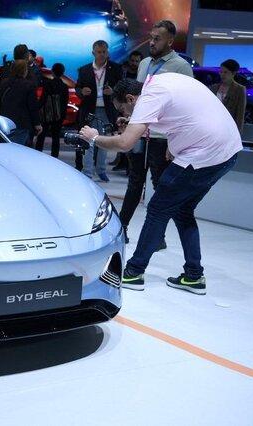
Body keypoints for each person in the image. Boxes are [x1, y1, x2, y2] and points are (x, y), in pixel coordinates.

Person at [79, 75, 241, 295]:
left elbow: (125, 143)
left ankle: (134, 272)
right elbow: (182, 116)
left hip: (203, 154)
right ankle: (194, 276)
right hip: (228, 152)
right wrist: (136, 122)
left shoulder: (149, 97)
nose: (123, 114)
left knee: (157, 209)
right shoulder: (160, 83)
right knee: (183, 211)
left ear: (131, 98)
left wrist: (94, 138)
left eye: (123, 109)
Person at [118, 20, 194, 247]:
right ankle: (121, 229)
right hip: (140, 133)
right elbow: (139, 100)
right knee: (134, 182)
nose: (151, 42)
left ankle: (157, 236)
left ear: (170, 41)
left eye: (157, 39)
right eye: (151, 38)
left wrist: (174, 141)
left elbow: (185, 106)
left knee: (160, 186)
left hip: (162, 138)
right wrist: (129, 119)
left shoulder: (181, 67)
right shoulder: (144, 64)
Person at [75, 40, 122, 182]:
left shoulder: (116, 68)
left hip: (107, 110)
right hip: (89, 110)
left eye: (104, 52)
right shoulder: (84, 70)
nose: (102, 54)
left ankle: (101, 170)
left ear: (108, 52)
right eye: (99, 52)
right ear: (93, 53)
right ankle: (87, 172)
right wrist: (82, 91)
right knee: (87, 140)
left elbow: (122, 88)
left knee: (104, 141)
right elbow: (77, 88)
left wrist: (113, 91)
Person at [0, 59, 42, 145]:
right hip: (22, 124)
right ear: (25, 70)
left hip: (4, 122)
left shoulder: (4, 83)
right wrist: (37, 124)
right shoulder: (29, 85)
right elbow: (32, 106)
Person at [36, 63, 68, 157]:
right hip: (58, 115)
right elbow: (65, 102)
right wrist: (62, 115)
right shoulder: (64, 86)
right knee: (56, 137)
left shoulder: (47, 84)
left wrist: (37, 110)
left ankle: (37, 155)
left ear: (52, 72)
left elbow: (43, 99)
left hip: (46, 114)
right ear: (62, 73)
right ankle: (54, 157)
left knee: (41, 136)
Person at [210, 59, 247, 132]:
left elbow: (240, 115)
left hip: (228, 128)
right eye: (221, 72)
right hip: (213, 126)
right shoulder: (214, 87)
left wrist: (237, 133)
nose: (222, 75)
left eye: (226, 72)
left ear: (233, 73)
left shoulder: (240, 89)